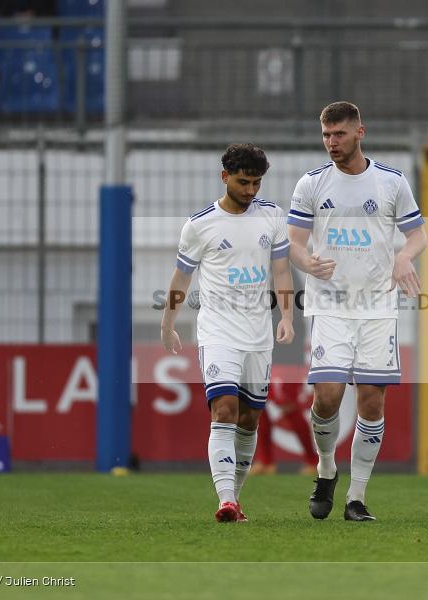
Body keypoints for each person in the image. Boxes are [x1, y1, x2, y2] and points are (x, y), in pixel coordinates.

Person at [287, 101, 427, 521]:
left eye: (340, 134)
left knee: (371, 401)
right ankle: (327, 468)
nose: (331, 142)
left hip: (377, 307)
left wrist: (405, 258)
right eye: (326, 135)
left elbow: (417, 235)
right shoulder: (311, 184)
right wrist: (306, 261)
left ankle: (356, 497)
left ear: (360, 132)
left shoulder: (392, 182)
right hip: (330, 305)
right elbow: (292, 241)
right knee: (327, 396)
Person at [161, 143, 294, 523]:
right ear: (224, 177)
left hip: (259, 335)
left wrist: (287, 316)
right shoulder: (200, 225)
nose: (251, 190)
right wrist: (167, 322)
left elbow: (282, 270)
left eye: (256, 183)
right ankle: (225, 500)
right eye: (243, 182)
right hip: (218, 332)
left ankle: (235, 496)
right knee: (225, 410)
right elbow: (181, 278)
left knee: (250, 420)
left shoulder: (272, 216)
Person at [252, 303, 317, 476]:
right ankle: (266, 461)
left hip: (285, 358)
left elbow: (294, 319)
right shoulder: (257, 281)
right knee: (257, 405)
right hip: (260, 353)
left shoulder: (286, 279)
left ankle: (313, 460)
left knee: (287, 405)